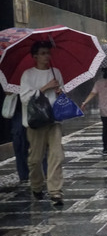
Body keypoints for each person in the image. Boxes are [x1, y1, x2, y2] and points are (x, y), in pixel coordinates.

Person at [19, 41, 66, 206]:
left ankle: (55, 191)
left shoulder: (56, 72)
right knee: (35, 159)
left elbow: (63, 92)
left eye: (48, 53)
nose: (47, 56)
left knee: (56, 155)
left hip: (54, 120)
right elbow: (24, 98)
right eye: (43, 53)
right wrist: (46, 87)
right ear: (35, 56)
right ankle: (37, 186)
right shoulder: (28, 74)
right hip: (36, 121)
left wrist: (60, 92)